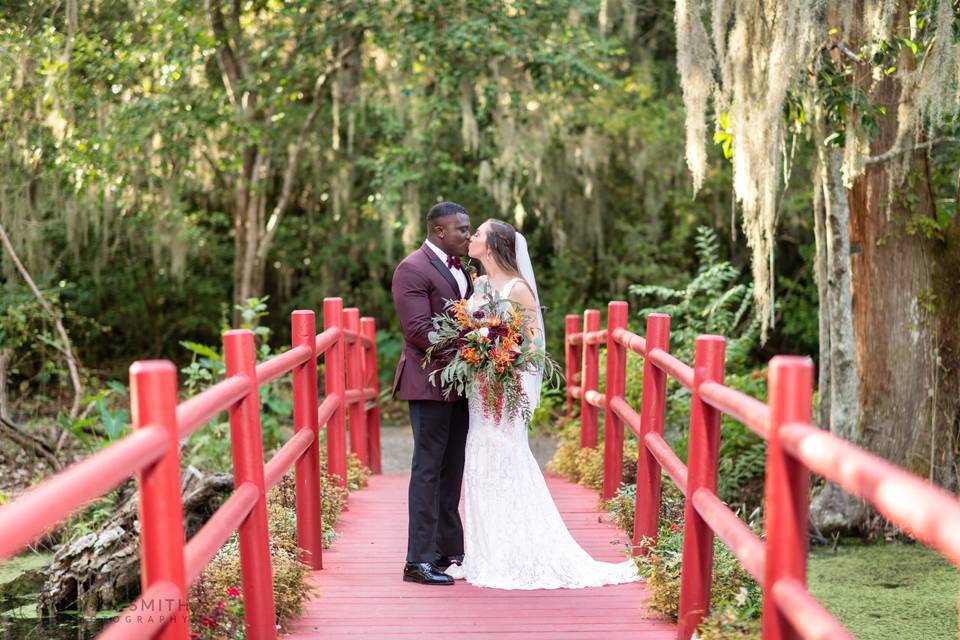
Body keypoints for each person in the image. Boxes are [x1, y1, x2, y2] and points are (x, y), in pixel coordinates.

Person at [445, 218, 639, 589]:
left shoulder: (519, 290)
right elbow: (467, 330)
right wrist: (477, 352)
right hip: (480, 388)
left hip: (505, 386)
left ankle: (519, 551)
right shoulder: (480, 284)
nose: (471, 237)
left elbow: (533, 344)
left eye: (479, 234)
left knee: (506, 457)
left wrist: (504, 361)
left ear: (493, 245)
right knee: (480, 456)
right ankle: (487, 552)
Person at [391, 201, 473, 586]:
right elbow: (419, 332)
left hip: (460, 383)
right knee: (427, 470)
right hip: (429, 383)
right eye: (462, 229)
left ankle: (448, 551)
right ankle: (417, 560)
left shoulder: (461, 270)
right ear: (440, 231)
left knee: (451, 468)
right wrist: (474, 351)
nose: (468, 235)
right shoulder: (412, 268)